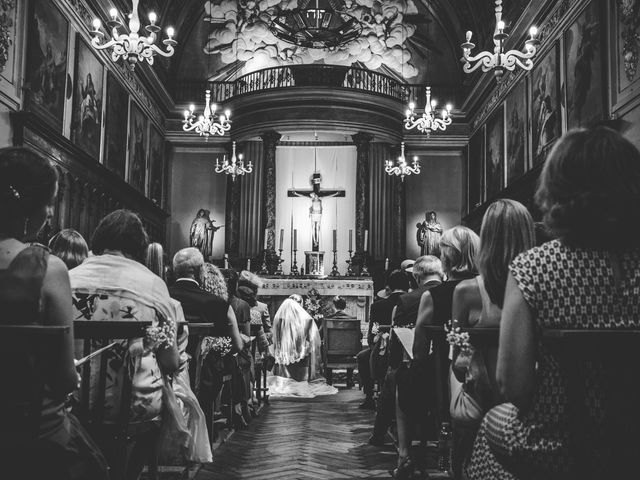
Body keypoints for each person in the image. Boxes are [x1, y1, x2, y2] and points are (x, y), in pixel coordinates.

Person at [467, 127, 640, 480]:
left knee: (489, 425)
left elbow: (513, 386)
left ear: (555, 189)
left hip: (557, 443)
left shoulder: (534, 267)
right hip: (631, 446)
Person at [0, 147, 108, 479]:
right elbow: (63, 380)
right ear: (29, 208)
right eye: (49, 202)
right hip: (32, 436)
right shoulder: (48, 270)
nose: (50, 213)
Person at [70, 209, 179, 479]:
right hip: (134, 407)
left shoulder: (68, 278)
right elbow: (170, 362)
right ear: (138, 246)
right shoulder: (153, 284)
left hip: (72, 403)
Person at [449, 200, 535, 478]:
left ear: (485, 239)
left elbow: (458, 367)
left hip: (481, 403)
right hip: (532, 401)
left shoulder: (466, 291)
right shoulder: (539, 284)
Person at [393, 227, 479, 479]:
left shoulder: (433, 296)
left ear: (447, 259)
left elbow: (419, 351)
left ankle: (405, 452)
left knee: (401, 380)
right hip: (487, 375)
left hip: (442, 378)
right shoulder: (490, 290)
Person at [145, 243, 212, 464]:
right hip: (169, 377)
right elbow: (172, 362)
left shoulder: (157, 297)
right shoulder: (172, 304)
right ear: (201, 270)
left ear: (173, 270)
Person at [168, 248, 243, 444]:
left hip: (163, 370)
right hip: (205, 379)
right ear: (201, 270)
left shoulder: (163, 296)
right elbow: (231, 345)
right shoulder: (217, 303)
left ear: (175, 270)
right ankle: (204, 433)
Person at [370, 256, 444, 447]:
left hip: (418, 369)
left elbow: (398, 341)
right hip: (449, 369)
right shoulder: (456, 293)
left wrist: (392, 364)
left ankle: (393, 445)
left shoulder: (408, 300)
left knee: (393, 378)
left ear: (417, 277)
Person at [356, 270, 409, 410]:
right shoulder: (413, 301)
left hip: (383, 350)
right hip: (408, 350)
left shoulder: (378, 306)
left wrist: (375, 345)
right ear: (408, 284)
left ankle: (369, 397)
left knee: (362, 357)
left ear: (389, 287)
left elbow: (373, 332)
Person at [267, 298, 338, 398]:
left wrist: (280, 349)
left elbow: (276, 339)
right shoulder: (307, 320)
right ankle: (302, 380)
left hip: (282, 354)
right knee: (306, 349)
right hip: (301, 353)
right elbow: (311, 338)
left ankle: (284, 379)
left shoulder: (279, 319)